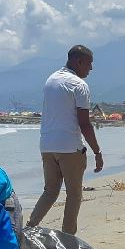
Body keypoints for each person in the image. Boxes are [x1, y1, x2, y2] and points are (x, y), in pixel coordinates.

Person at [27, 45, 104, 234]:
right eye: (89, 64)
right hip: (70, 147)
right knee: (74, 195)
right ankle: (68, 239)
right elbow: (84, 124)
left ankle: (29, 228)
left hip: (47, 145)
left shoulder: (50, 80)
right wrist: (97, 152)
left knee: (50, 191)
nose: (91, 69)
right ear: (79, 61)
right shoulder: (79, 85)